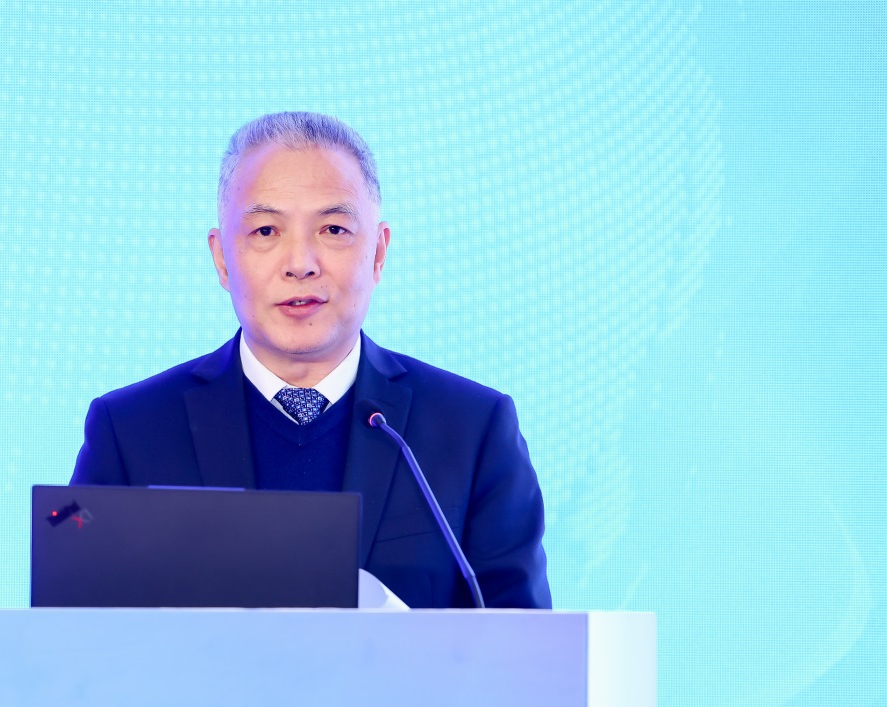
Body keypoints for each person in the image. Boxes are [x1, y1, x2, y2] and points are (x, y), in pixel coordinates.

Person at [71, 112, 550, 609]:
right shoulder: (130, 431)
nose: (300, 264)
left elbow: (526, 642)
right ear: (221, 259)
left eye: (333, 229)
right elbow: (70, 635)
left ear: (378, 252)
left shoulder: (472, 430)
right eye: (265, 231)